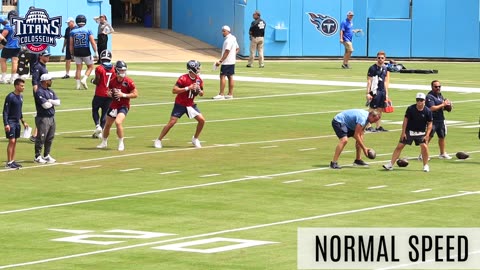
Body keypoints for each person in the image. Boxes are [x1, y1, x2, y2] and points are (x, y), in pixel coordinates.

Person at [154, 60, 206, 149]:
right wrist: (187, 88)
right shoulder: (183, 78)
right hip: (180, 104)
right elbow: (174, 90)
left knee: (202, 120)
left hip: (190, 104)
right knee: (172, 123)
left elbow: (202, 93)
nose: (199, 69)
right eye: (197, 67)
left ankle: (195, 138)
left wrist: (199, 91)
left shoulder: (199, 80)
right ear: (192, 68)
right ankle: (158, 140)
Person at [383, 93, 433, 172]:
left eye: (421, 100)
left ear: (424, 101)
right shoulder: (411, 109)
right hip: (409, 131)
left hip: (420, 132)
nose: (419, 102)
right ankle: (391, 164)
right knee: (399, 146)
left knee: (424, 147)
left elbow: (430, 124)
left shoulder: (428, 111)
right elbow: (405, 120)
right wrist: (403, 132)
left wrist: (427, 134)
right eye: (418, 100)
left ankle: (426, 165)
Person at [97, 60, 138, 151]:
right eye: (121, 70)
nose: (123, 72)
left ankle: (121, 143)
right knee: (107, 125)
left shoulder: (128, 81)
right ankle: (104, 142)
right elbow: (109, 91)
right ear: (117, 70)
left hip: (123, 105)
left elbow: (135, 94)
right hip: (114, 105)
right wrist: (109, 94)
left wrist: (123, 95)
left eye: (124, 70)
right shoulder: (112, 81)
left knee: (118, 122)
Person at [33, 74, 60, 164]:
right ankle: (37, 156)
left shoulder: (50, 91)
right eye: (50, 80)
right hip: (43, 118)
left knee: (50, 137)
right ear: (45, 81)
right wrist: (51, 102)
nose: (51, 81)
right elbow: (45, 106)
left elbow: (58, 102)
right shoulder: (39, 92)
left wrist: (50, 101)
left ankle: (46, 155)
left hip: (51, 117)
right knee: (41, 137)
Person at [3, 78, 29, 169]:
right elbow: (5, 112)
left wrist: (23, 121)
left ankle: (12, 161)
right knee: (12, 141)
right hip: (11, 122)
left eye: (23, 86)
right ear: (16, 86)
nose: (23, 87)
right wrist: (6, 124)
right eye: (21, 86)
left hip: (17, 122)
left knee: (15, 142)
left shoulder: (21, 97)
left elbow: (19, 111)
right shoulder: (10, 97)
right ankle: (9, 162)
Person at [425, 80, 453, 159]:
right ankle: (423, 154)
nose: (438, 88)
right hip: (432, 120)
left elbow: (441, 107)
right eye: (436, 86)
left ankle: (442, 153)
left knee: (442, 136)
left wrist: (447, 106)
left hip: (440, 119)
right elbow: (431, 108)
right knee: (428, 137)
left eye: (439, 86)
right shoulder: (429, 96)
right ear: (432, 87)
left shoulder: (440, 95)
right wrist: (443, 104)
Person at [69, 14, 98, 90]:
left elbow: (71, 44)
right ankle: (84, 79)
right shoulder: (88, 30)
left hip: (77, 51)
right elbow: (92, 42)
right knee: (91, 67)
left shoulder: (73, 31)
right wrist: (96, 52)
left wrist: (71, 53)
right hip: (85, 50)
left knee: (78, 68)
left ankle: (78, 85)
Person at [91, 50, 115, 138]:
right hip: (109, 94)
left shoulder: (99, 68)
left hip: (99, 93)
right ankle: (101, 131)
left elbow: (97, 81)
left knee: (95, 110)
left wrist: (92, 81)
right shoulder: (114, 68)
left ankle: (98, 126)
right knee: (105, 113)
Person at [213, 25, 239, 100]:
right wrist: (232, 55)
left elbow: (227, 51)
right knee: (230, 76)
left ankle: (221, 94)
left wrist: (220, 61)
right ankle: (230, 94)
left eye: (224, 31)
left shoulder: (228, 40)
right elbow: (237, 48)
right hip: (231, 61)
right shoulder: (233, 38)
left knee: (222, 76)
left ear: (228, 31)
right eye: (222, 31)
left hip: (226, 62)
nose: (223, 32)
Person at [30, 51, 51, 142]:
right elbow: (34, 81)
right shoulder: (37, 67)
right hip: (40, 92)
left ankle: (36, 134)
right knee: (42, 113)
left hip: (43, 92)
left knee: (43, 113)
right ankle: (35, 135)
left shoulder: (43, 66)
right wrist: (38, 94)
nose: (48, 58)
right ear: (40, 57)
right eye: (46, 56)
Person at [365, 50, 390, 132]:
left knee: (380, 109)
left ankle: (378, 126)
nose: (380, 59)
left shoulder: (385, 68)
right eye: (379, 58)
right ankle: (368, 126)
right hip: (374, 90)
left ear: (385, 58)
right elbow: (369, 81)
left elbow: (386, 81)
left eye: (382, 58)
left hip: (382, 91)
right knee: (372, 109)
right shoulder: (372, 68)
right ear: (376, 58)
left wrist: (386, 93)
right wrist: (368, 93)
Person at [0, 11, 21, 84]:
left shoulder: (9, 25)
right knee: (15, 62)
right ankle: (12, 79)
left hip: (8, 46)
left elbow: (3, 36)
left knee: (2, 61)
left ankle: (3, 78)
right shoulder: (20, 25)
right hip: (17, 46)